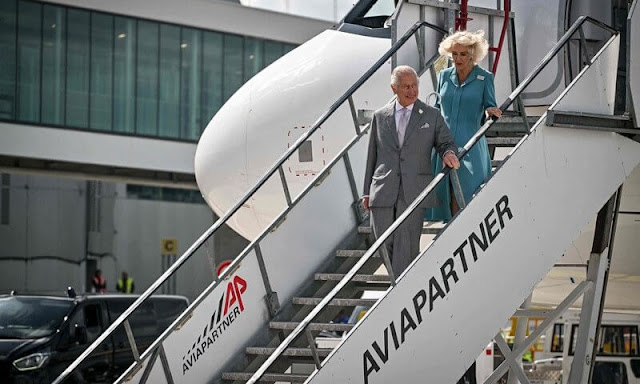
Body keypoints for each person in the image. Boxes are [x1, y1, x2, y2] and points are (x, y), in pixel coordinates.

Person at [363, 65, 459, 276]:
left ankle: (399, 289)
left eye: (414, 85)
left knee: (406, 244)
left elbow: (446, 142)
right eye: (406, 86)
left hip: (414, 189)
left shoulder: (431, 115)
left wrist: (448, 154)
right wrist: (367, 191)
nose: (412, 91)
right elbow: (373, 155)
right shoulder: (380, 116)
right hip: (383, 189)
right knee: (382, 240)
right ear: (394, 89)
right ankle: (399, 280)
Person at [428, 30, 502, 222]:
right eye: (454, 54)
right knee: (446, 193)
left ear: (472, 55)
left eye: (463, 54)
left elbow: (489, 105)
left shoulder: (485, 78)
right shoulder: (443, 76)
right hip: (443, 144)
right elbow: (437, 107)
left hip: (471, 145)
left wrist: (490, 112)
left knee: (467, 196)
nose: (458, 58)